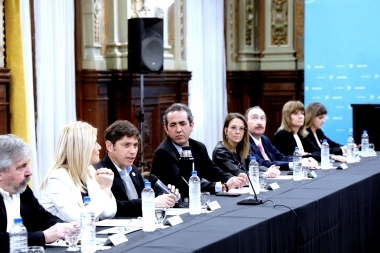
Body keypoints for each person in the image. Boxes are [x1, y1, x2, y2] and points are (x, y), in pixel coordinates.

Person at [151, 103, 248, 198]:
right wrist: (223, 186)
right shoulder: (163, 153)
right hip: (174, 206)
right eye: (173, 125)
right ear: (166, 129)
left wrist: (232, 179)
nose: (178, 129)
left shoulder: (199, 147)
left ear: (192, 125)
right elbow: (184, 186)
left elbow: (213, 171)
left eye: (182, 123)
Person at [0, 134, 77, 251]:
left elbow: (42, 217)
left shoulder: (22, 190)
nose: (29, 172)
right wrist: (44, 236)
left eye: (28, 164)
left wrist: (65, 227)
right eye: (22, 166)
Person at [93, 120, 178, 218]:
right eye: (126, 145)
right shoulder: (100, 172)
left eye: (135, 145)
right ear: (110, 146)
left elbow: (144, 195)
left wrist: (166, 195)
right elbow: (117, 208)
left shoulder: (132, 169)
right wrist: (151, 203)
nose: (133, 151)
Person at [40, 121, 117, 222]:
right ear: (82, 148)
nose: (99, 147)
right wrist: (103, 189)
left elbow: (108, 213)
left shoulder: (89, 170)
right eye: (94, 143)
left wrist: (106, 188)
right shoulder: (57, 178)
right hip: (66, 237)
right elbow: (77, 218)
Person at [245, 106, 317, 170]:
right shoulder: (244, 142)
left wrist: (301, 160)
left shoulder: (264, 139)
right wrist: (293, 165)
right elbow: (261, 163)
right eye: (254, 118)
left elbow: (281, 157)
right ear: (245, 123)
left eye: (262, 118)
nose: (259, 122)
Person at [212, 113, 280, 178]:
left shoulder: (241, 148)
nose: (238, 132)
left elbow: (254, 166)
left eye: (241, 128)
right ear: (226, 131)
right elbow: (238, 173)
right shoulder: (220, 152)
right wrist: (264, 174)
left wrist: (268, 170)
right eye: (233, 127)